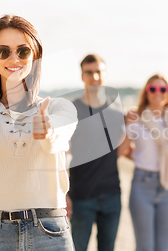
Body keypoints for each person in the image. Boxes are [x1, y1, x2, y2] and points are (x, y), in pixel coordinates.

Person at [0, 15, 78, 251]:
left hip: (49, 231)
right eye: (4, 51)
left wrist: (47, 130)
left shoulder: (59, 108)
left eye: (22, 51)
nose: (14, 59)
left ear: (35, 55)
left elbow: (60, 134)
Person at [68, 54, 127, 251]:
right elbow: (61, 153)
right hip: (81, 195)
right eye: (89, 73)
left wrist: (132, 128)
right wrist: (64, 194)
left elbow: (120, 150)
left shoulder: (117, 108)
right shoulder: (72, 110)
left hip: (112, 194)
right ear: (82, 76)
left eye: (98, 72)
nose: (94, 77)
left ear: (105, 74)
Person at [124, 74, 168, 251]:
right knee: (145, 247)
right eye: (153, 89)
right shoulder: (136, 118)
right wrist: (140, 157)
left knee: (163, 247)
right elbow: (123, 150)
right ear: (146, 92)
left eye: (163, 89)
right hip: (143, 184)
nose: (158, 93)